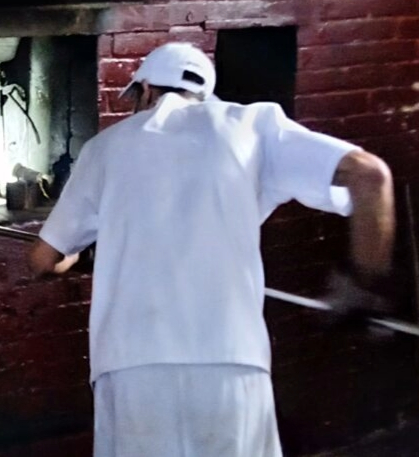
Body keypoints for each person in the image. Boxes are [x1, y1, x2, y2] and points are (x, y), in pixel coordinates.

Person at [27, 42, 395, 457]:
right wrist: (362, 284)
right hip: (233, 363)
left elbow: (43, 258)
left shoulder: (105, 148)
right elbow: (371, 177)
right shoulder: (255, 126)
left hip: (133, 367)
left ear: (146, 90)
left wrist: (71, 256)